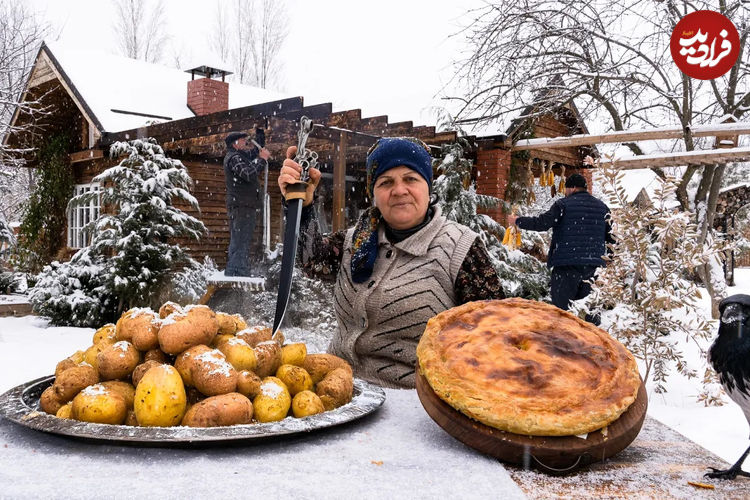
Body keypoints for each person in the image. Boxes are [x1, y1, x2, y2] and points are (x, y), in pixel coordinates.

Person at [278, 137, 505, 389]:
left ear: (428, 187)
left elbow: (495, 338)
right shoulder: (357, 239)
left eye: (410, 179)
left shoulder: (460, 249)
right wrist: (301, 205)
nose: (399, 190)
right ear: (373, 193)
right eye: (386, 182)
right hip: (336, 389)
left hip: (413, 406)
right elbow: (312, 260)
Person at [507, 173, 614, 317]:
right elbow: (612, 237)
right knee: (588, 311)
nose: (565, 192)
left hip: (566, 266)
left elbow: (542, 223)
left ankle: (564, 337)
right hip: (593, 267)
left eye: (566, 188)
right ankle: (589, 338)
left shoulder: (563, 205)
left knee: (562, 312)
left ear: (573, 188)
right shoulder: (603, 208)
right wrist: (610, 261)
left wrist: (518, 221)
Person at [223, 131, 271, 277]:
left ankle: (235, 270)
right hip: (241, 205)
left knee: (240, 238)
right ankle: (237, 272)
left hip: (243, 205)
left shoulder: (239, 156)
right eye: (243, 140)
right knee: (241, 239)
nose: (246, 142)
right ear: (235, 143)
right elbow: (249, 174)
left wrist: (260, 139)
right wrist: (262, 160)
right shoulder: (234, 158)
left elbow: (252, 154)